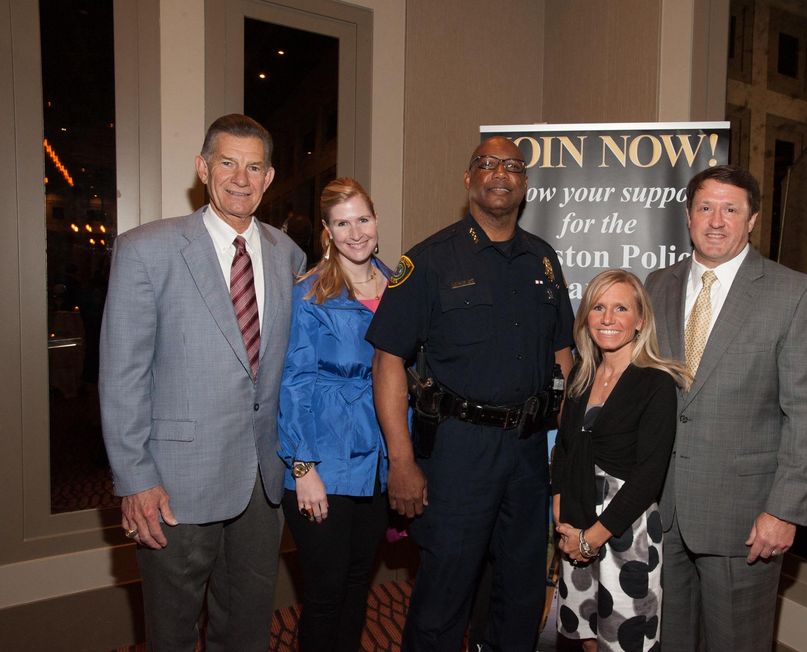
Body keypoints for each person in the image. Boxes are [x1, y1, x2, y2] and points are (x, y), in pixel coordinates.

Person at [99, 114, 306, 651]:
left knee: (247, 627)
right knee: (171, 630)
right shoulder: (147, 249)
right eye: (227, 163)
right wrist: (134, 480)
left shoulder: (290, 255)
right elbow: (122, 376)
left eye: (254, 167)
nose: (241, 178)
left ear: (269, 176)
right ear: (202, 168)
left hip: (264, 480)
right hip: (174, 484)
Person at [367, 136, 575, 651]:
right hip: (459, 452)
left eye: (512, 167)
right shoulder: (429, 261)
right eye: (487, 164)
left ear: (524, 183)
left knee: (521, 592)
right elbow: (388, 361)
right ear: (468, 179)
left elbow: (563, 355)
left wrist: (560, 450)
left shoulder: (543, 261)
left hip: (528, 454)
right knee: (444, 594)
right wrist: (401, 461)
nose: (500, 174)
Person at [643, 165, 807, 651]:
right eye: (705, 208)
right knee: (666, 642)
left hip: (746, 519)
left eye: (731, 209)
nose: (716, 221)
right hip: (660, 509)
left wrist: (784, 509)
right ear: (687, 216)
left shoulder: (794, 293)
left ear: (752, 220)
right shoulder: (656, 284)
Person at [277, 178, 392, 650]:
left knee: (357, 584)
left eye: (362, 219)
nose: (355, 232)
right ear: (327, 231)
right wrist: (303, 468)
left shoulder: (401, 285)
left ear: (376, 222)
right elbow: (294, 383)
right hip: (323, 460)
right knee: (325, 593)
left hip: (380, 460)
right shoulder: (309, 294)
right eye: (342, 223)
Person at [551, 269, 691, 651]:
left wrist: (592, 537)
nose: (608, 318)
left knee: (625, 640)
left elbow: (649, 476)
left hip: (627, 532)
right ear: (586, 316)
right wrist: (560, 510)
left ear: (640, 320)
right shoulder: (582, 373)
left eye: (620, 308)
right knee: (584, 638)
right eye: (598, 307)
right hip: (576, 523)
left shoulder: (656, 383)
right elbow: (564, 448)